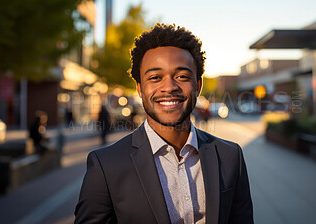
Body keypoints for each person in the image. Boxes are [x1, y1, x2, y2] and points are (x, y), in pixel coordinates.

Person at [75, 23, 254, 224]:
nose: (169, 87)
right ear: (140, 89)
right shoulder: (106, 165)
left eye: (182, 76)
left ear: (198, 86)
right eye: (155, 77)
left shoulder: (230, 156)